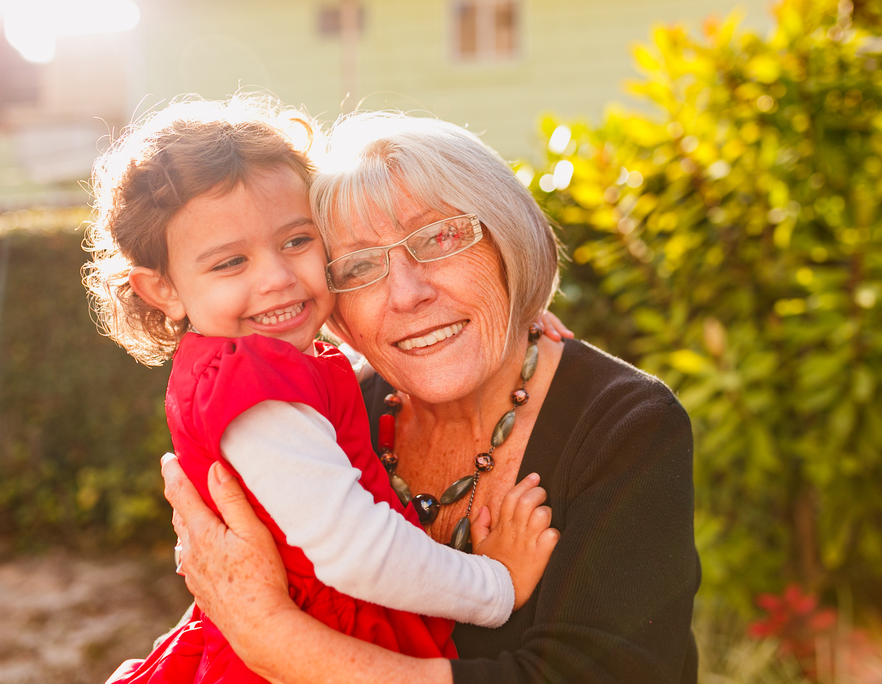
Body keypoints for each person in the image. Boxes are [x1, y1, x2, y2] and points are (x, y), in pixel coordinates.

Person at [163, 112, 702, 684]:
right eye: (360, 265)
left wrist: (275, 639)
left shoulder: (626, 427)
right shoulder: (329, 417)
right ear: (332, 300)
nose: (407, 293)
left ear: (506, 242)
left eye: (441, 238)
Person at [82, 98, 560, 684]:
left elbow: (356, 356)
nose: (277, 279)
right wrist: (497, 585)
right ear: (163, 290)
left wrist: (514, 315)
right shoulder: (257, 396)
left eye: (295, 242)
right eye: (231, 262)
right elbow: (357, 550)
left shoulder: (266, 364)